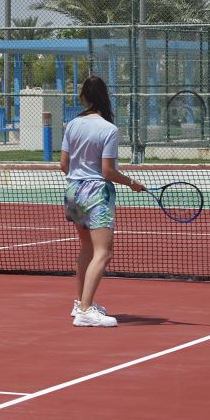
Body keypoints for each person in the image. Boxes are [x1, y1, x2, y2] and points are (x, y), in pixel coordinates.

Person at [60, 74, 144, 327]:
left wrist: (81, 178)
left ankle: (80, 304)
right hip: (97, 193)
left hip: (73, 191)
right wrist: (132, 183)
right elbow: (107, 171)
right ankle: (85, 311)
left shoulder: (72, 124)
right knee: (104, 253)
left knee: (87, 249)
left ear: (84, 97)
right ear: (105, 97)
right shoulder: (109, 129)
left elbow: (64, 165)